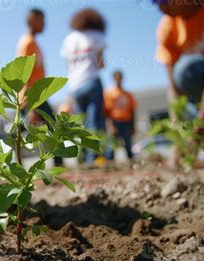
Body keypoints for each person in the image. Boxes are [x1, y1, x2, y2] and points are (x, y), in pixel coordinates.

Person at [154, 0, 204, 160]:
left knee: (190, 69)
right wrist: (179, 139)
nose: (160, 6)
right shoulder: (167, 26)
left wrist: (195, 140)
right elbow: (174, 92)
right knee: (183, 73)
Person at [60, 8, 107, 163]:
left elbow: (68, 66)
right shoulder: (97, 36)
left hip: (75, 87)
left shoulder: (69, 39)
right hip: (91, 82)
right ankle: (94, 157)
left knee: (82, 124)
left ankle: (83, 156)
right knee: (95, 122)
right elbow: (100, 63)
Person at [17, 8, 63, 167]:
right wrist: (32, 106)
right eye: (42, 20)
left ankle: (58, 165)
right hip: (32, 96)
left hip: (38, 96)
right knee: (53, 126)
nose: (44, 24)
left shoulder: (34, 43)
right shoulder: (28, 43)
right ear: (32, 20)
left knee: (35, 128)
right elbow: (23, 74)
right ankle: (58, 165)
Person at [104, 71, 136, 161]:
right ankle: (110, 163)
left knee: (128, 144)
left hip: (126, 121)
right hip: (115, 121)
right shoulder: (109, 93)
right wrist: (110, 125)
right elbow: (107, 111)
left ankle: (131, 161)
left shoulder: (127, 94)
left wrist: (133, 125)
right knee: (112, 145)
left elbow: (132, 110)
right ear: (113, 79)